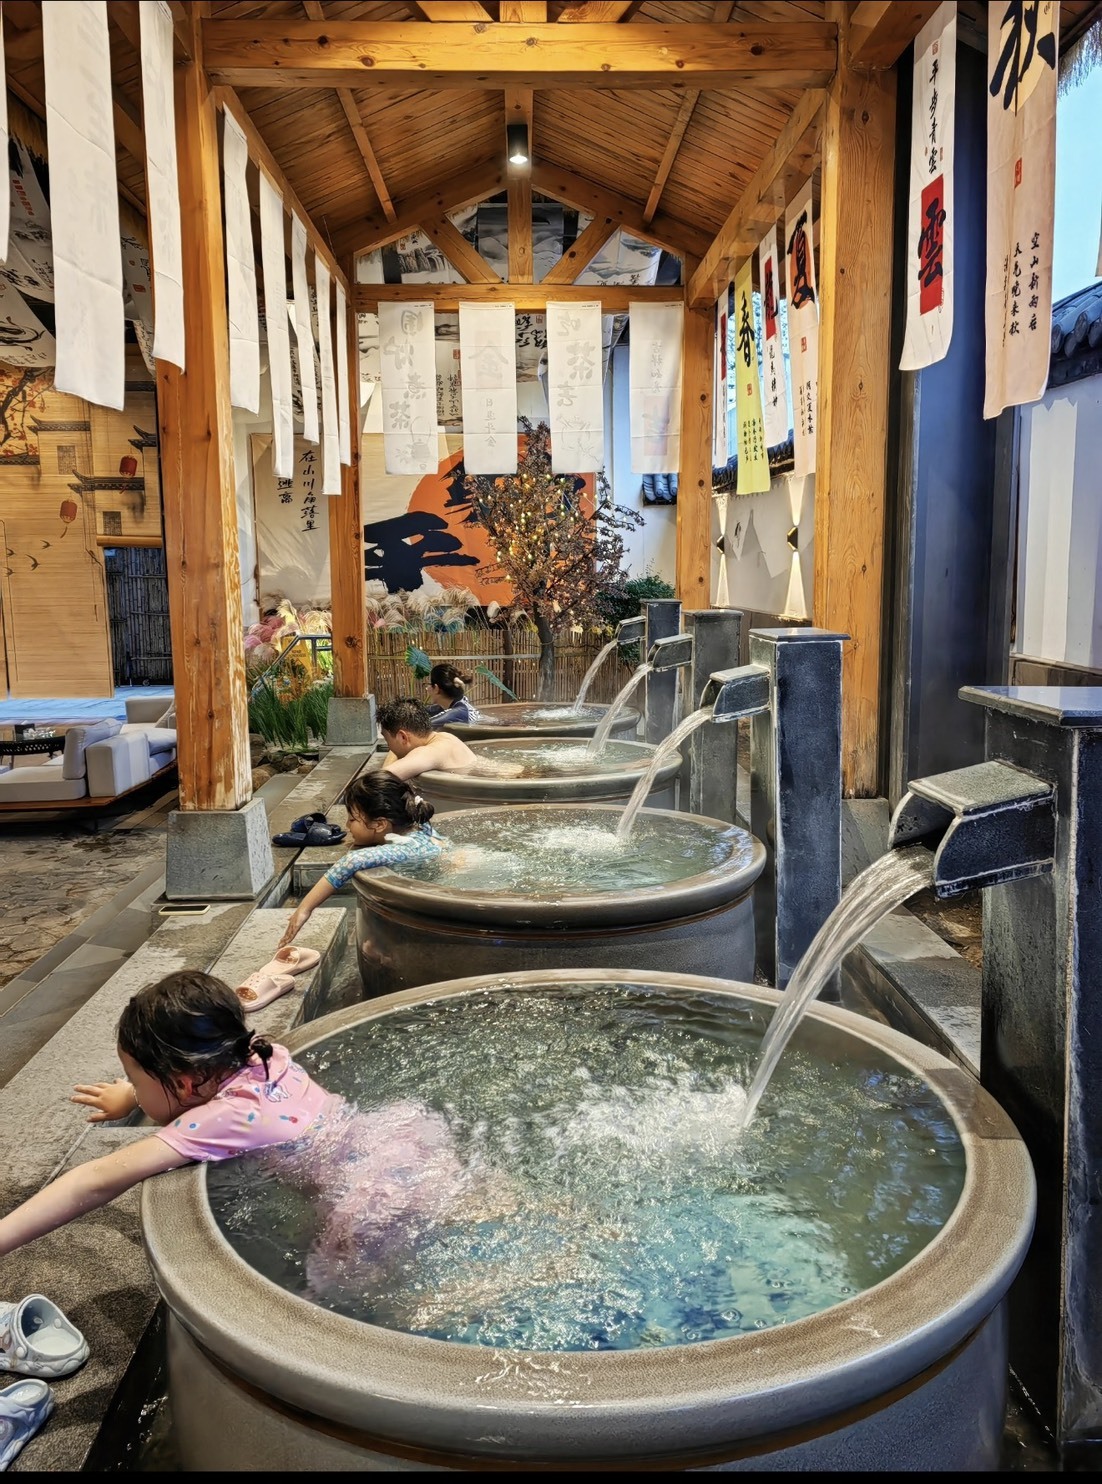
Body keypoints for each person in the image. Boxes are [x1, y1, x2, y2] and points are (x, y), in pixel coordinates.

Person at [0, 973, 336, 1258]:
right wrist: (133, 1096)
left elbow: (94, 1182)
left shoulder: (221, 1120)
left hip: (353, 1213)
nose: (133, 1086)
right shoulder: (267, 1057)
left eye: (134, 1080)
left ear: (183, 1084)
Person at [278, 772, 443, 947]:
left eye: (352, 820)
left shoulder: (401, 850)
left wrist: (304, 909)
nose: (347, 826)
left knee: (373, 945)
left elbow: (351, 861)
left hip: (428, 916)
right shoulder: (420, 825)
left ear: (379, 824)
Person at [378, 698, 521, 784]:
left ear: (403, 737)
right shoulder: (442, 737)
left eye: (387, 740)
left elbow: (381, 779)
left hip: (514, 780)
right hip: (514, 772)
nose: (389, 747)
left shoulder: (430, 752)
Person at [425, 663, 473, 729]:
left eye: (429, 684)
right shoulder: (457, 705)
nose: (427, 688)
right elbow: (422, 712)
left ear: (436, 688)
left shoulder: (459, 712)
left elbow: (422, 728)